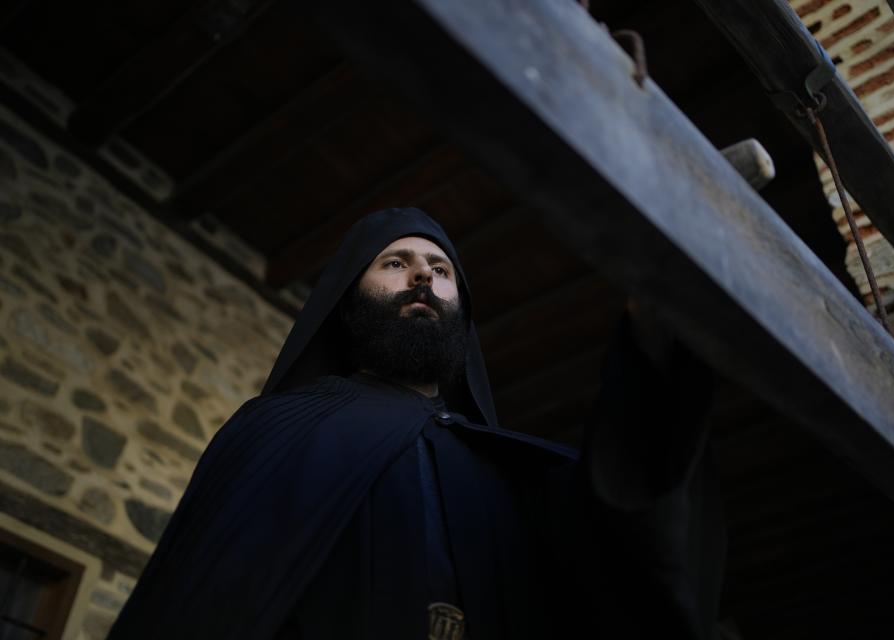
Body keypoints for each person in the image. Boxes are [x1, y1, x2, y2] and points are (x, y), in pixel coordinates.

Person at [107, 207, 724, 639]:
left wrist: (655, 328)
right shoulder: (278, 431)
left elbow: (624, 522)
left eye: (441, 267)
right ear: (351, 302)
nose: (424, 274)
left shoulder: (509, 475)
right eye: (395, 263)